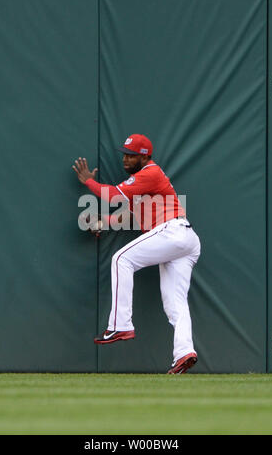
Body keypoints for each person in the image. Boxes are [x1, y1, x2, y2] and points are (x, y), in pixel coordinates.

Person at [72, 134, 201, 374]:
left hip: (172, 232)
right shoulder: (143, 183)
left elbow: (112, 196)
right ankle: (185, 352)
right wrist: (104, 222)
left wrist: (90, 182)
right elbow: (129, 215)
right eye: (125, 153)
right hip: (184, 240)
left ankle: (120, 325)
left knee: (122, 259)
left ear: (144, 157)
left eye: (131, 155)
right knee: (175, 303)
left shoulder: (150, 172)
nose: (125, 158)